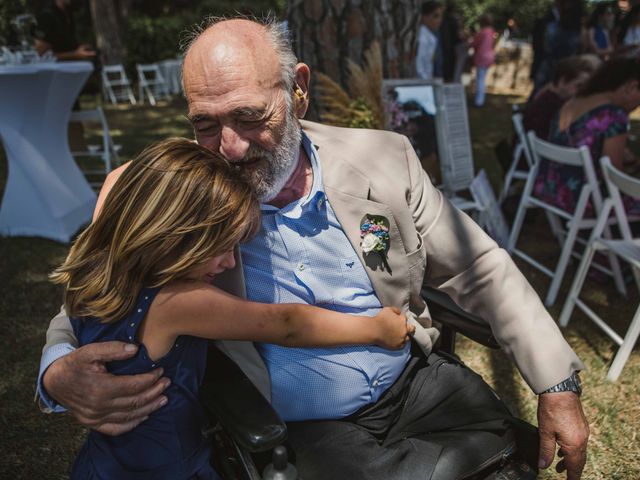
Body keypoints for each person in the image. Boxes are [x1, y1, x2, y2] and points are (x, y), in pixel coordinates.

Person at [37, 16, 590, 480]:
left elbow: (478, 265)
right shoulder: (176, 192)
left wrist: (557, 385)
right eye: (205, 125)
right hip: (300, 427)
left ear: (296, 90)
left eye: (249, 116)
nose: (228, 147)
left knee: (504, 448)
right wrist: (58, 373)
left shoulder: (384, 159)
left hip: (410, 377)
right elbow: (94, 294)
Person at [52, 137, 412, 479]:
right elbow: (286, 323)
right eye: (221, 246)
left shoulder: (90, 271)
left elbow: (142, 180)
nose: (228, 263)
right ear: (176, 234)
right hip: (166, 465)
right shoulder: (177, 302)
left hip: (106, 460)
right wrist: (376, 329)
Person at [535, 57, 640, 216]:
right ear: (631, 87)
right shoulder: (613, 115)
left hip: (549, 187)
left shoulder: (575, 100)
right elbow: (613, 177)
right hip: (581, 199)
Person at [524, 55, 601, 140]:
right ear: (562, 81)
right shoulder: (552, 108)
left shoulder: (548, 99)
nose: (582, 92)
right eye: (578, 86)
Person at [471, 14, 496, 107]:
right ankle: (480, 99)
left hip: (482, 57)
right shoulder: (491, 31)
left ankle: (479, 101)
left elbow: (474, 43)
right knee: (482, 79)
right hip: (489, 57)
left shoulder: (482, 32)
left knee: (480, 79)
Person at [416, 1, 444, 80]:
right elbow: (419, 68)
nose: (439, 20)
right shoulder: (422, 38)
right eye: (435, 16)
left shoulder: (430, 37)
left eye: (440, 17)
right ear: (424, 17)